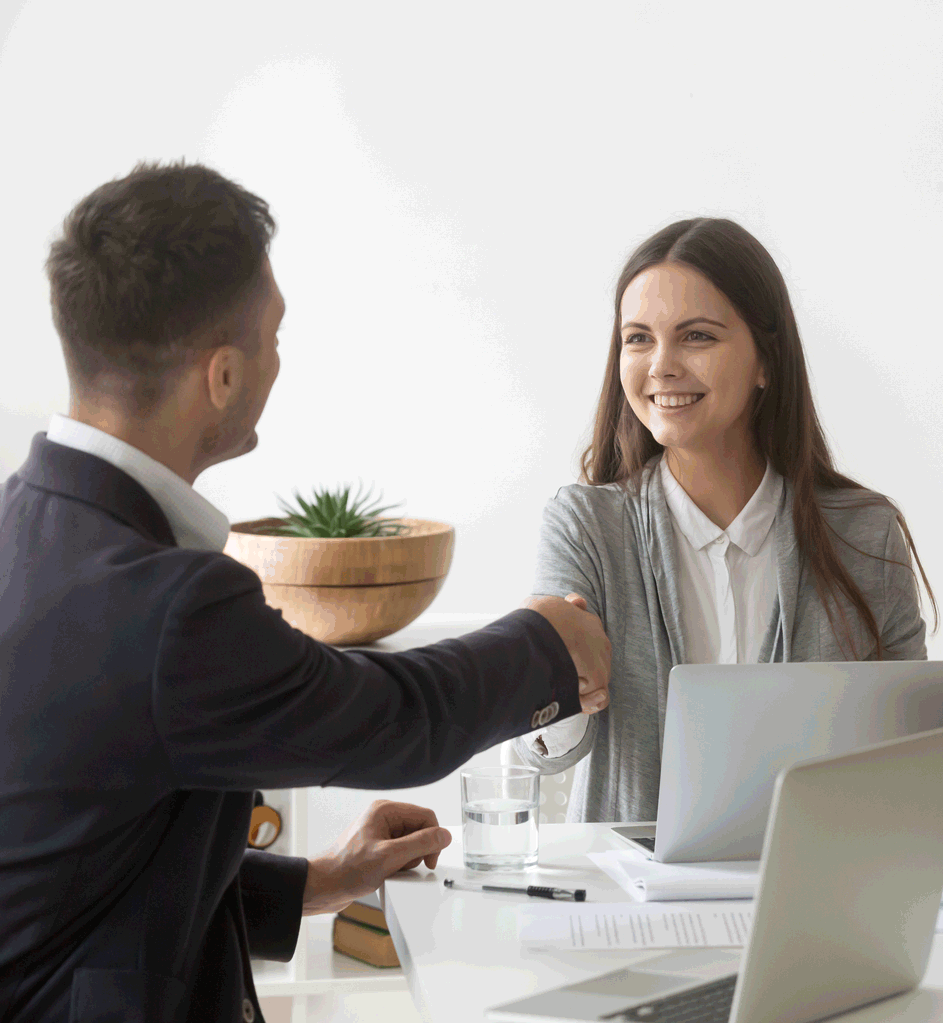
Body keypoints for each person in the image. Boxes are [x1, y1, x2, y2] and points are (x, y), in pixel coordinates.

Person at [0, 161, 612, 1023]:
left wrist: (319, 882)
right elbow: (395, 717)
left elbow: (89, 868)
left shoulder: (24, 528)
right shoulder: (169, 607)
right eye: (274, 335)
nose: (280, 361)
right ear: (221, 375)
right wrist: (549, 642)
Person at [510, 217, 943, 823]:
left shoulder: (864, 534)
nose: (660, 366)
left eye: (696, 337)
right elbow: (548, 755)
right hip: (635, 906)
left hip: (813, 897)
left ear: (765, 361)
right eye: (637, 339)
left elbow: (912, 752)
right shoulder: (586, 526)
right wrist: (552, 685)